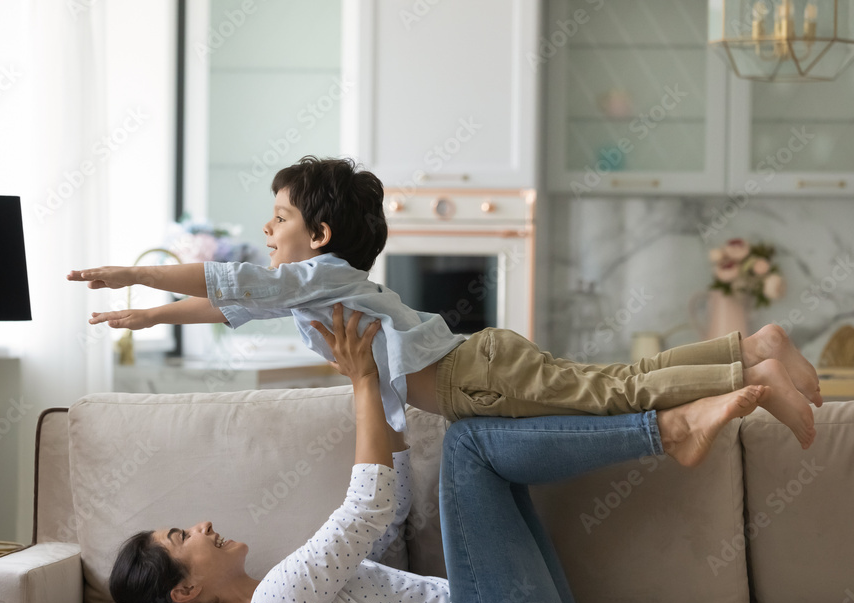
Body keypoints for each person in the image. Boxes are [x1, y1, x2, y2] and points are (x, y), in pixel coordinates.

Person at [106, 304, 767, 603]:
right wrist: (364, 376)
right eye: (181, 535)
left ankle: (683, 414)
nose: (203, 525)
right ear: (187, 586)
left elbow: (387, 519)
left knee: (481, 437)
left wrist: (383, 384)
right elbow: (366, 505)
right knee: (470, 440)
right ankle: (668, 430)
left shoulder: (290, 594)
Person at [68, 156, 819, 448]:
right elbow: (234, 303)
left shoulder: (322, 274)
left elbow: (231, 286)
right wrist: (147, 316)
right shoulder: (313, 289)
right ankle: (752, 351)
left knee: (616, 389)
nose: (267, 229)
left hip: (474, 375)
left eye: (281, 218)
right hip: (476, 371)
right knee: (612, 384)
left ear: (321, 235)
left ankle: (752, 369)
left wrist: (134, 276)